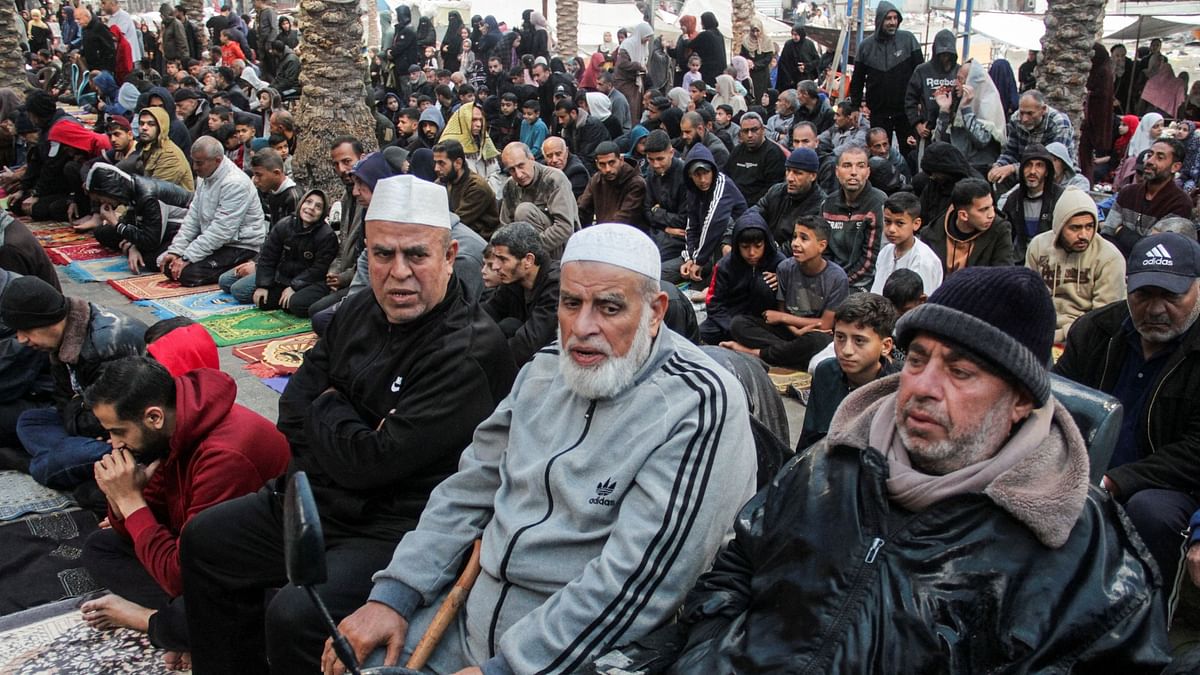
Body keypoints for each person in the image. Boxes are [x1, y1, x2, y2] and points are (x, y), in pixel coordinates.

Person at [673, 264, 1171, 672]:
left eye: (960, 371)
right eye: (917, 358)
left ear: (1021, 399)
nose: (923, 387)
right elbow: (737, 568)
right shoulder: (831, 463)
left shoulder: (1080, 553)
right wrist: (705, 657)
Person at [326, 223, 756, 675]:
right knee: (356, 657)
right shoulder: (546, 368)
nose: (583, 328)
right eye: (572, 304)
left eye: (610, 307)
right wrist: (394, 594)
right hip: (468, 622)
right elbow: (468, 489)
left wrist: (506, 669)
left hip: (582, 655)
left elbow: (639, 582)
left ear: (655, 312)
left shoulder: (698, 401)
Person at [180, 176, 517, 673]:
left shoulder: (468, 350)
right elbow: (291, 411)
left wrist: (331, 408)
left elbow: (375, 465)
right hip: (316, 497)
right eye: (383, 255)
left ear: (449, 257)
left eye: (416, 256)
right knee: (206, 541)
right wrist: (351, 426)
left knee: (299, 614)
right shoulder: (358, 308)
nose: (398, 273)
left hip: (393, 526)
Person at [78, 355, 289, 654]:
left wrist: (130, 500)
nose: (114, 444)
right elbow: (150, 521)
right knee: (101, 548)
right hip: (205, 553)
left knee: (235, 613)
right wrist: (120, 497)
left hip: (268, 575)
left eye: (119, 431)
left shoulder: (225, 456)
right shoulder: (175, 428)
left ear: (154, 417)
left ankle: (151, 620)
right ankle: (184, 625)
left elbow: (182, 575)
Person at [1055, 231, 1200, 594]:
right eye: (1143, 294)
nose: (1154, 309)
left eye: (1171, 296)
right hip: (1083, 467)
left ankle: (1144, 615)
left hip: (1169, 483)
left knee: (1150, 511)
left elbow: (1195, 452)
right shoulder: (1096, 331)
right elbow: (1055, 402)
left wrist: (1116, 481)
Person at [3, 277, 146, 489]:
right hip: (91, 424)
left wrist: (78, 408)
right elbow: (63, 398)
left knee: (62, 460)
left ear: (46, 320)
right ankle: (70, 460)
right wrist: (77, 407)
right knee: (29, 421)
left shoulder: (102, 346)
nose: (21, 339)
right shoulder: (66, 337)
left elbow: (112, 417)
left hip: (130, 436)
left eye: (26, 329)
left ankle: (45, 463)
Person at [723, 216, 848, 369]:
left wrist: (782, 318)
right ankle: (794, 355)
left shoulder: (837, 277)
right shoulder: (785, 268)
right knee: (738, 324)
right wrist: (796, 331)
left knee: (819, 341)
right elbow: (782, 309)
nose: (795, 243)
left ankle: (755, 352)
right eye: (795, 237)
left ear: (821, 246)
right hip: (789, 330)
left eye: (804, 239)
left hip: (815, 333)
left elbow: (825, 324)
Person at [797, 292, 900, 450]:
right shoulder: (825, 372)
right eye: (840, 337)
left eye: (859, 340)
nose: (846, 350)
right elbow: (809, 438)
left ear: (885, 346)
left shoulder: (897, 389)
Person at [161, 137, 267, 287]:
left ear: (217, 160)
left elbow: (222, 230)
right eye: (194, 161)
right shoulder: (204, 176)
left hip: (240, 244)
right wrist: (176, 251)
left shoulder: (235, 183)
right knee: (168, 265)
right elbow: (193, 217)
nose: (195, 167)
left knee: (186, 274)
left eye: (199, 163)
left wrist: (187, 258)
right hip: (214, 239)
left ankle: (245, 264)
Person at [1025, 188, 1126, 343]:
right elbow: (1028, 297)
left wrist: (1059, 336)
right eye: (1075, 228)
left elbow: (1102, 319)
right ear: (1059, 227)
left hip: (1084, 336)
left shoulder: (1110, 257)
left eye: (1089, 226)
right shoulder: (1039, 245)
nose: (1083, 235)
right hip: (1039, 327)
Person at [221, 189, 338, 317]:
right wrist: (263, 285)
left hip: (307, 282)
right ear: (301, 204)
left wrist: (294, 287)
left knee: (295, 305)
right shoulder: (284, 225)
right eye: (308, 202)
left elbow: (319, 269)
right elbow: (268, 256)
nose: (311, 208)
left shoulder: (326, 235)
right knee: (249, 295)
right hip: (282, 277)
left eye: (318, 207)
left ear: (322, 213)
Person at [85, 164, 193, 275]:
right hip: (154, 227)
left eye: (100, 199)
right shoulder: (132, 190)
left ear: (109, 190)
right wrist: (132, 243)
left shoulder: (148, 197)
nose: (103, 203)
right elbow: (133, 221)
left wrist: (116, 224)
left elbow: (151, 240)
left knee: (152, 261)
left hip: (178, 228)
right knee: (102, 232)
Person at [700, 212, 786, 345]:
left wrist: (782, 280)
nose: (752, 253)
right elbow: (714, 304)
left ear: (766, 243)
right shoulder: (725, 266)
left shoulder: (780, 263)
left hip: (763, 320)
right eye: (745, 247)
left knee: (763, 283)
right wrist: (731, 327)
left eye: (758, 246)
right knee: (703, 333)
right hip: (731, 319)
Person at [481, 221, 560, 366]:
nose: (496, 266)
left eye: (503, 259)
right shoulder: (513, 280)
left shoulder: (556, 287)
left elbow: (528, 344)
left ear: (528, 260)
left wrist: (483, 357)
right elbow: (487, 313)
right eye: (496, 258)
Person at [1101, 137, 1193, 258]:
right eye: (1150, 155)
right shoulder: (1127, 193)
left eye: (1160, 157)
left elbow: (1151, 249)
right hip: (1114, 262)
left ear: (1175, 167)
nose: (1150, 161)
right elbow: (1107, 233)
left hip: (1148, 271)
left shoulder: (1179, 203)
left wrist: (1120, 231)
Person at [848, 2, 924, 147]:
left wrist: (921, 102)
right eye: (888, 18)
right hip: (879, 112)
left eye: (895, 18)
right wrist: (855, 107)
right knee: (879, 151)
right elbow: (857, 80)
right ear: (880, 20)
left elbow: (921, 73)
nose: (893, 22)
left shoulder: (908, 40)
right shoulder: (866, 47)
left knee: (910, 150)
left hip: (906, 110)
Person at [675, 144, 747, 286]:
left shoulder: (723, 184)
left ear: (713, 171)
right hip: (705, 250)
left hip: (729, 242)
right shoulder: (691, 190)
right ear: (690, 175)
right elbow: (692, 226)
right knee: (667, 272)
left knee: (724, 225)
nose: (702, 180)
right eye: (697, 175)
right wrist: (690, 258)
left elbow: (713, 224)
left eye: (706, 173)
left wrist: (698, 261)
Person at [499, 142, 581, 260]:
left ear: (532, 159)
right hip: (526, 248)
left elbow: (565, 227)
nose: (519, 174)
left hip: (561, 247)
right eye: (512, 170)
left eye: (521, 165)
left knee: (524, 210)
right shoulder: (510, 186)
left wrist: (530, 249)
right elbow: (505, 225)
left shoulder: (554, 179)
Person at [821, 144, 887, 292]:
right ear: (837, 172)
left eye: (860, 166)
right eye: (847, 166)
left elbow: (871, 259)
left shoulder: (878, 203)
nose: (853, 172)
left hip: (864, 283)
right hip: (830, 278)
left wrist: (841, 282)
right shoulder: (828, 204)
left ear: (868, 172)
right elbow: (822, 249)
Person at [922, 177, 1013, 277]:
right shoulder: (931, 234)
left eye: (991, 206)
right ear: (963, 215)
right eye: (983, 209)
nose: (991, 214)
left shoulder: (1000, 229)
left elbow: (1004, 275)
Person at [933, 60, 1008, 176]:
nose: (955, 83)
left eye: (960, 79)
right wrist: (944, 110)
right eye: (956, 78)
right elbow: (940, 140)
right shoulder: (955, 103)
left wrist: (966, 108)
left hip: (980, 169)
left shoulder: (988, 103)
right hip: (957, 166)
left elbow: (981, 140)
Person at [987, 90, 1076, 185]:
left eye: (1030, 114)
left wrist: (1013, 168)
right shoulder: (1016, 119)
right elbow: (1010, 152)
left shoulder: (1059, 124)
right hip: (1025, 172)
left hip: (1058, 178)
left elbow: (1053, 163)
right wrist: (998, 166)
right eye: (1022, 113)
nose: (1024, 119)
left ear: (1043, 109)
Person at [998, 143, 1064, 261]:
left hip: (1052, 261)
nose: (1032, 171)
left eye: (1039, 166)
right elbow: (1004, 237)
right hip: (1020, 262)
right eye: (1028, 165)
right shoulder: (1013, 199)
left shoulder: (1060, 198)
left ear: (1047, 171)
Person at [752, 147, 827, 249]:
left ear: (812, 176)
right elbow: (753, 215)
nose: (790, 178)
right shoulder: (776, 191)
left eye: (798, 173)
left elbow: (797, 246)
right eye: (788, 171)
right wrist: (730, 238)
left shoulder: (821, 205)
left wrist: (766, 256)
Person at [870, 191, 942, 295]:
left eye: (900, 223)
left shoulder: (924, 261)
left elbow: (921, 304)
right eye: (887, 221)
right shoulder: (885, 252)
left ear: (916, 224)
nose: (891, 229)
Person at [904, 29, 958, 153]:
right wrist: (917, 124)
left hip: (952, 131)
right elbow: (909, 101)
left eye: (948, 54)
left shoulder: (959, 71)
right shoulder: (922, 71)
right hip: (927, 130)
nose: (945, 58)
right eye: (942, 54)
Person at [433, 139, 499, 239]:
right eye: (436, 163)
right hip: (458, 232)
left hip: (479, 239)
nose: (436, 168)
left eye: (441, 163)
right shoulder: (445, 180)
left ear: (458, 163)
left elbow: (457, 221)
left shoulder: (477, 187)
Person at [643, 130, 690, 263]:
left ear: (671, 153)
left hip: (680, 238)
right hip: (660, 231)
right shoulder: (651, 172)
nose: (655, 164)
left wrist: (656, 211)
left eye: (660, 159)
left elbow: (683, 219)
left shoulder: (685, 175)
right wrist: (666, 228)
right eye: (650, 159)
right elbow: (646, 211)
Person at [577, 141, 647, 229]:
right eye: (602, 164)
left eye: (611, 163)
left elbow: (624, 219)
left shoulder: (636, 183)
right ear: (596, 164)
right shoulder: (596, 180)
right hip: (603, 233)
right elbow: (582, 209)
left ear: (621, 160)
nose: (607, 169)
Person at [722, 113, 783, 208]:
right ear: (741, 133)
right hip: (733, 203)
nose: (750, 135)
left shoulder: (773, 153)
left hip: (758, 207)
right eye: (745, 131)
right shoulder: (737, 151)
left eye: (754, 130)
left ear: (763, 130)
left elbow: (772, 189)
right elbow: (726, 177)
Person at [130, 107, 194, 191]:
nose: (144, 128)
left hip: (169, 203)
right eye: (141, 123)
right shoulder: (149, 148)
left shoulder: (170, 155)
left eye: (151, 124)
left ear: (161, 127)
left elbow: (153, 192)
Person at [249, 148, 301, 228]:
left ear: (276, 173)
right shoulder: (272, 192)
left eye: (259, 175)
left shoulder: (293, 197)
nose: (255, 180)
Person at [555, 98, 610, 170]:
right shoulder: (567, 128)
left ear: (573, 113)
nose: (560, 121)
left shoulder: (592, 126)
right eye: (558, 117)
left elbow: (588, 156)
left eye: (562, 117)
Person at [776, 24, 820, 94]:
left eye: (796, 35)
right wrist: (788, 78)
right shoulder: (789, 45)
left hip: (805, 78)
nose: (794, 37)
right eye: (792, 34)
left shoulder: (809, 44)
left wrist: (805, 66)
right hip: (790, 80)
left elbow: (817, 60)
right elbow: (783, 63)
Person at [739, 17, 776, 98]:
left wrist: (755, 65)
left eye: (757, 31)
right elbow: (742, 55)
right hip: (749, 74)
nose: (755, 34)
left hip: (762, 74)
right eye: (753, 31)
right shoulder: (746, 41)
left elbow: (768, 58)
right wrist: (747, 62)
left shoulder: (767, 40)